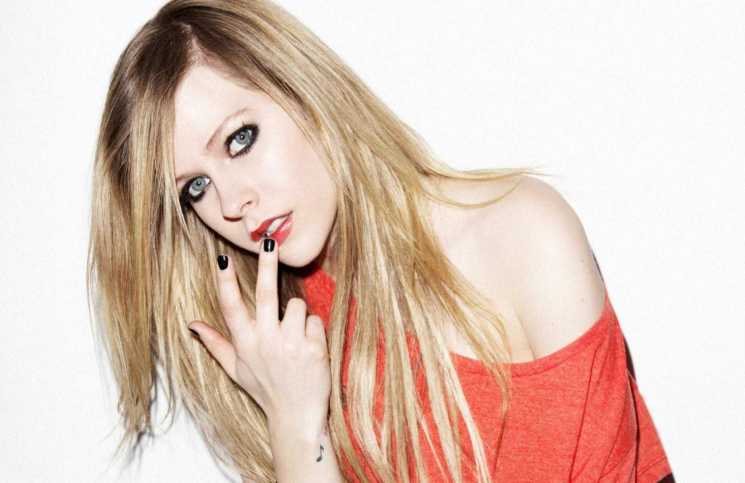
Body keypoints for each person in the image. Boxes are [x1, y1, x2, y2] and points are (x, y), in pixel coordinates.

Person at [86, 1, 674, 481]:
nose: (233, 202)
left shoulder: (520, 234)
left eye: (240, 139)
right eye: (195, 188)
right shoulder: (282, 344)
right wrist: (296, 423)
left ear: (307, 93)